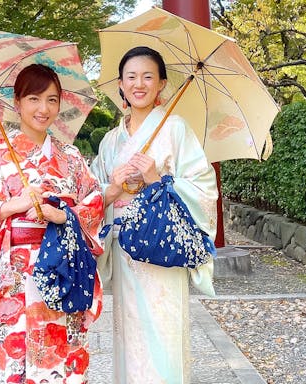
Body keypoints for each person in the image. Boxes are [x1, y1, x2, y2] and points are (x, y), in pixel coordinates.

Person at [0, 64, 104, 384]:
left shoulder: (71, 156)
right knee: (18, 355)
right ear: (17, 101)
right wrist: (14, 204)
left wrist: (64, 215)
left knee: (66, 354)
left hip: (64, 265)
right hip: (18, 272)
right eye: (34, 99)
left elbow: (93, 200)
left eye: (52, 100)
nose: (43, 108)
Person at [90, 46, 218, 383]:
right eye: (131, 77)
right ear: (120, 83)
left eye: (148, 76)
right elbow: (93, 192)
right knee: (128, 332)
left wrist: (157, 181)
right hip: (124, 246)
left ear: (161, 83)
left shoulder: (175, 129)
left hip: (161, 244)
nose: (139, 84)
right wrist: (113, 188)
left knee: (163, 329)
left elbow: (204, 188)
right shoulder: (111, 140)